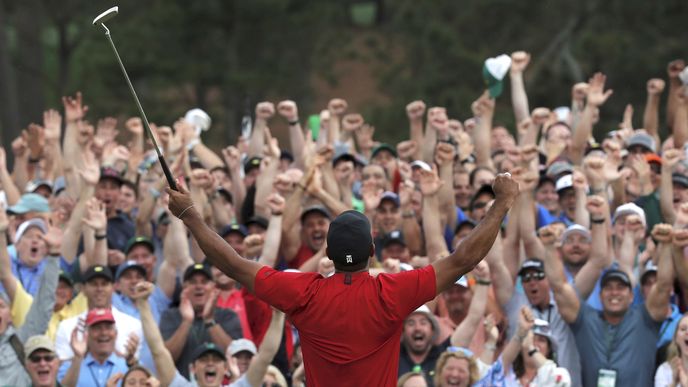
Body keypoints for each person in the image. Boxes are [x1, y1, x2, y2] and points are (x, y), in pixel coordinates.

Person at [166, 171, 519, 386]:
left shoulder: (303, 292)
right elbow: (463, 260)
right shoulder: (392, 291)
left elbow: (233, 264)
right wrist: (501, 203)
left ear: (329, 255)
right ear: (371, 249)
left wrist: (190, 215)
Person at [539, 222, 676, 386]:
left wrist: (667, 245)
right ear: (600, 295)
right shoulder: (585, 319)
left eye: (620, 288)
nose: (614, 293)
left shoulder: (645, 319)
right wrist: (548, 247)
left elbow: (663, 286)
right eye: (608, 288)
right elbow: (559, 287)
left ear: (632, 296)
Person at [160, 262, 243, 378]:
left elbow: (235, 358)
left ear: (214, 287)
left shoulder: (227, 315)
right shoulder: (170, 316)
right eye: (193, 282)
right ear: (184, 287)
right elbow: (165, 360)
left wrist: (209, 321)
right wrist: (186, 321)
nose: (199, 286)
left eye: (204, 282)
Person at [58, 308, 134, 387]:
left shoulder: (128, 366)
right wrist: (78, 357)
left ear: (116, 333)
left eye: (108, 328)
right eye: (97, 328)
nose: (103, 333)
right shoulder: (70, 367)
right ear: (87, 334)